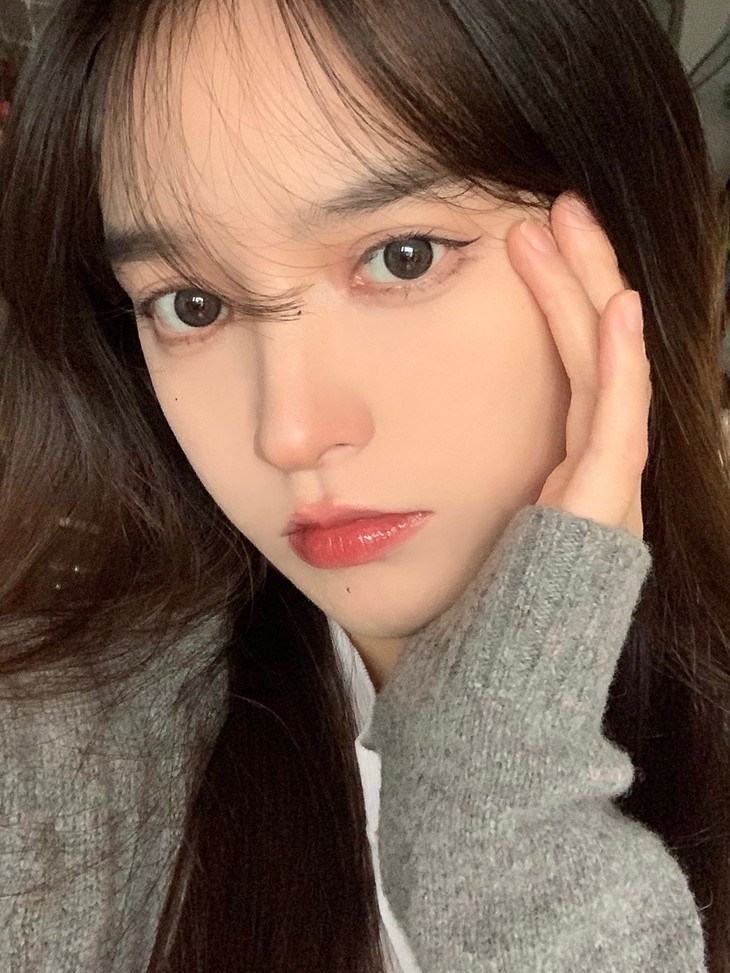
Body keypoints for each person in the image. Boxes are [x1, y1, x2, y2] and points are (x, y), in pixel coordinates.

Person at [0, 0, 729, 970]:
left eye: (402, 257)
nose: (290, 432)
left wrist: (494, 801)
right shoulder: (49, 774)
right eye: (191, 304)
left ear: (625, 242)